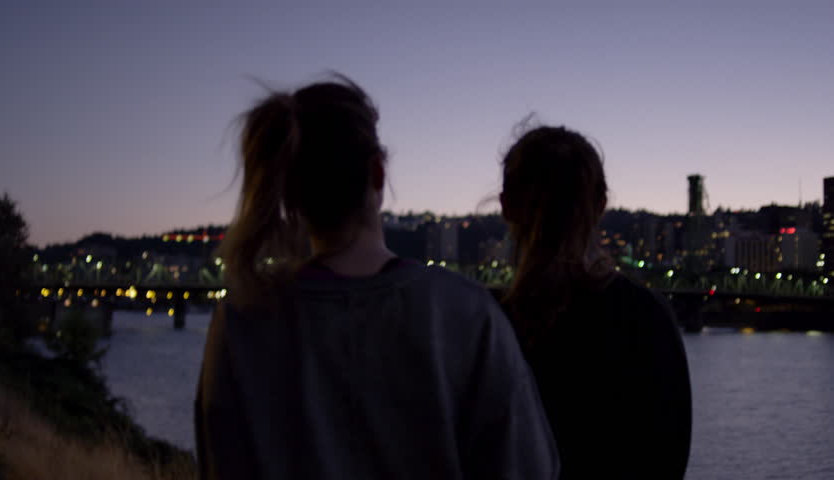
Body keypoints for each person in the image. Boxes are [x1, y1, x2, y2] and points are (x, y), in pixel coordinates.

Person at [194, 76, 559, 479]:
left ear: (290, 191)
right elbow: (527, 467)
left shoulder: (241, 321)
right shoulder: (466, 314)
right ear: (378, 172)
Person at [498, 124, 692, 479]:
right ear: (601, 205)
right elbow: (669, 457)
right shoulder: (646, 318)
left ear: (506, 206)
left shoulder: (488, 324)